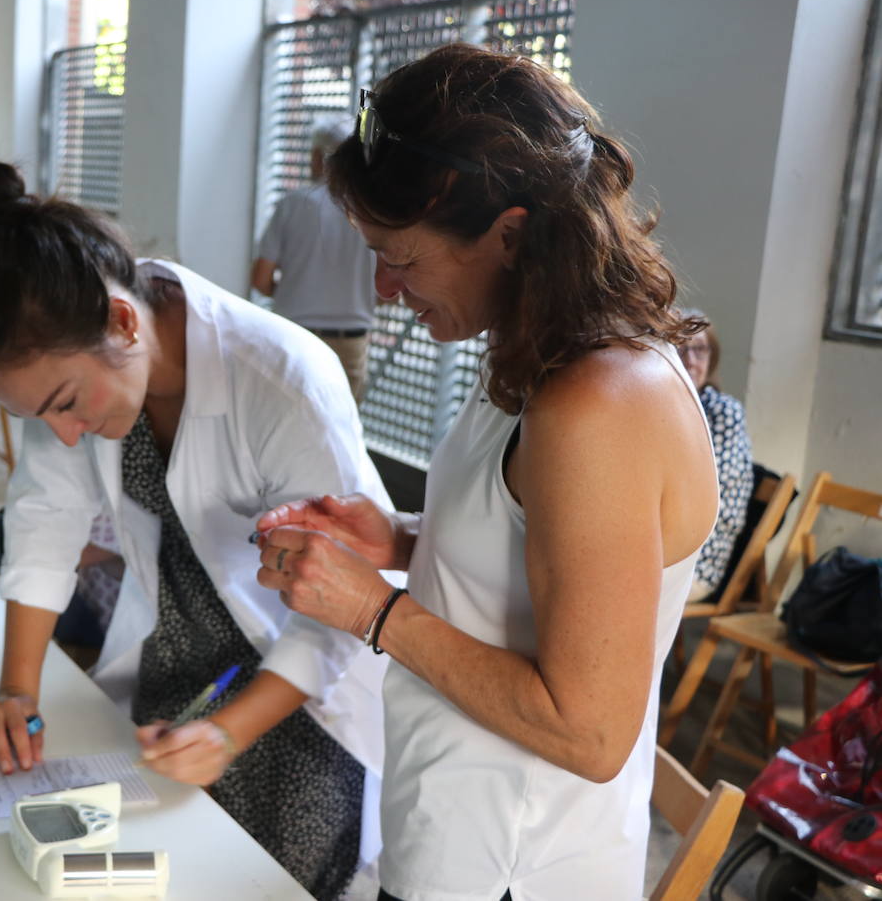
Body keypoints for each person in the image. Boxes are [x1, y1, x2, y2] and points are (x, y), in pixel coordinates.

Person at [253, 44, 718, 900]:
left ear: (510, 233)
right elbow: (546, 557)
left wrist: (371, 608)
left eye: (402, 256)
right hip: (454, 835)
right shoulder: (534, 352)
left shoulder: (599, 405)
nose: (383, 288)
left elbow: (588, 731)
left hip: (513, 869)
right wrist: (396, 536)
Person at [0, 158, 391, 901]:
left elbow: (341, 605)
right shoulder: (72, 356)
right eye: (38, 418)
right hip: (177, 667)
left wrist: (230, 733)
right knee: (155, 868)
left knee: (260, 882)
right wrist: (17, 692)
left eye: (65, 404)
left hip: (303, 695)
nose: (63, 435)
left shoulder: (283, 380)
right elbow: (45, 519)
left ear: (123, 321)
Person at [252, 116, 377, 401]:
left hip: (294, 336)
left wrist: (292, 291)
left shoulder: (292, 204)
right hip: (352, 341)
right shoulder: (373, 211)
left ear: (319, 157)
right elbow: (389, 292)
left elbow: (260, 279)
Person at [677, 309, 753, 600]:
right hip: (662, 545)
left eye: (700, 350)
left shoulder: (722, 412)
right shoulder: (665, 406)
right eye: (680, 349)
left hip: (697, 561)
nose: (690, 361)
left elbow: (698, 497)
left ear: (712, 360)